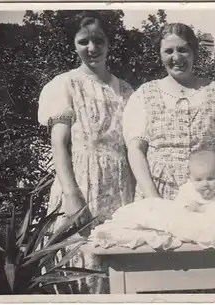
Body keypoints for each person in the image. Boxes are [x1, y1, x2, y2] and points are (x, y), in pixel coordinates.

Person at [37, 11, 135, 294]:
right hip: (81, 184)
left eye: (99, 40)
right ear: (74, 44)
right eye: (84, 41)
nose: (92, 48)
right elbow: (59, 143)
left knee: (117, 269)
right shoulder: (65, 84)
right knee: (80, 262)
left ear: (108, 43)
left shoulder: (126, 90)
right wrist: (71, 194)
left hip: (120, 188)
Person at [123, 23, 215, 203]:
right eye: (168, 51)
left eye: (183, 50)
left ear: (194, 52)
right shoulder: (144, 94)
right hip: (157, 194)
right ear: (160, 55)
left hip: (207, 196)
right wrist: (154, 200)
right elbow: (136, 150)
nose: (176, 57)